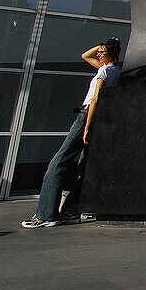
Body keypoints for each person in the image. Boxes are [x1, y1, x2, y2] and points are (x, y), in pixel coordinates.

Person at [22, 37, 121, 229]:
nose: (98, 54)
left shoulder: (105, 70)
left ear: (109, 53)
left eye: (101, 51)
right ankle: (69, 210)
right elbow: (85, 56)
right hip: (96, 118)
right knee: (81, 165)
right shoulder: (114, 70)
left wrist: (86, 126)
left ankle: (45, 215)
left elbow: (95, 100)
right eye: (98, 51)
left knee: (58, 163)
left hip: (86, 116)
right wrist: (108, 46)